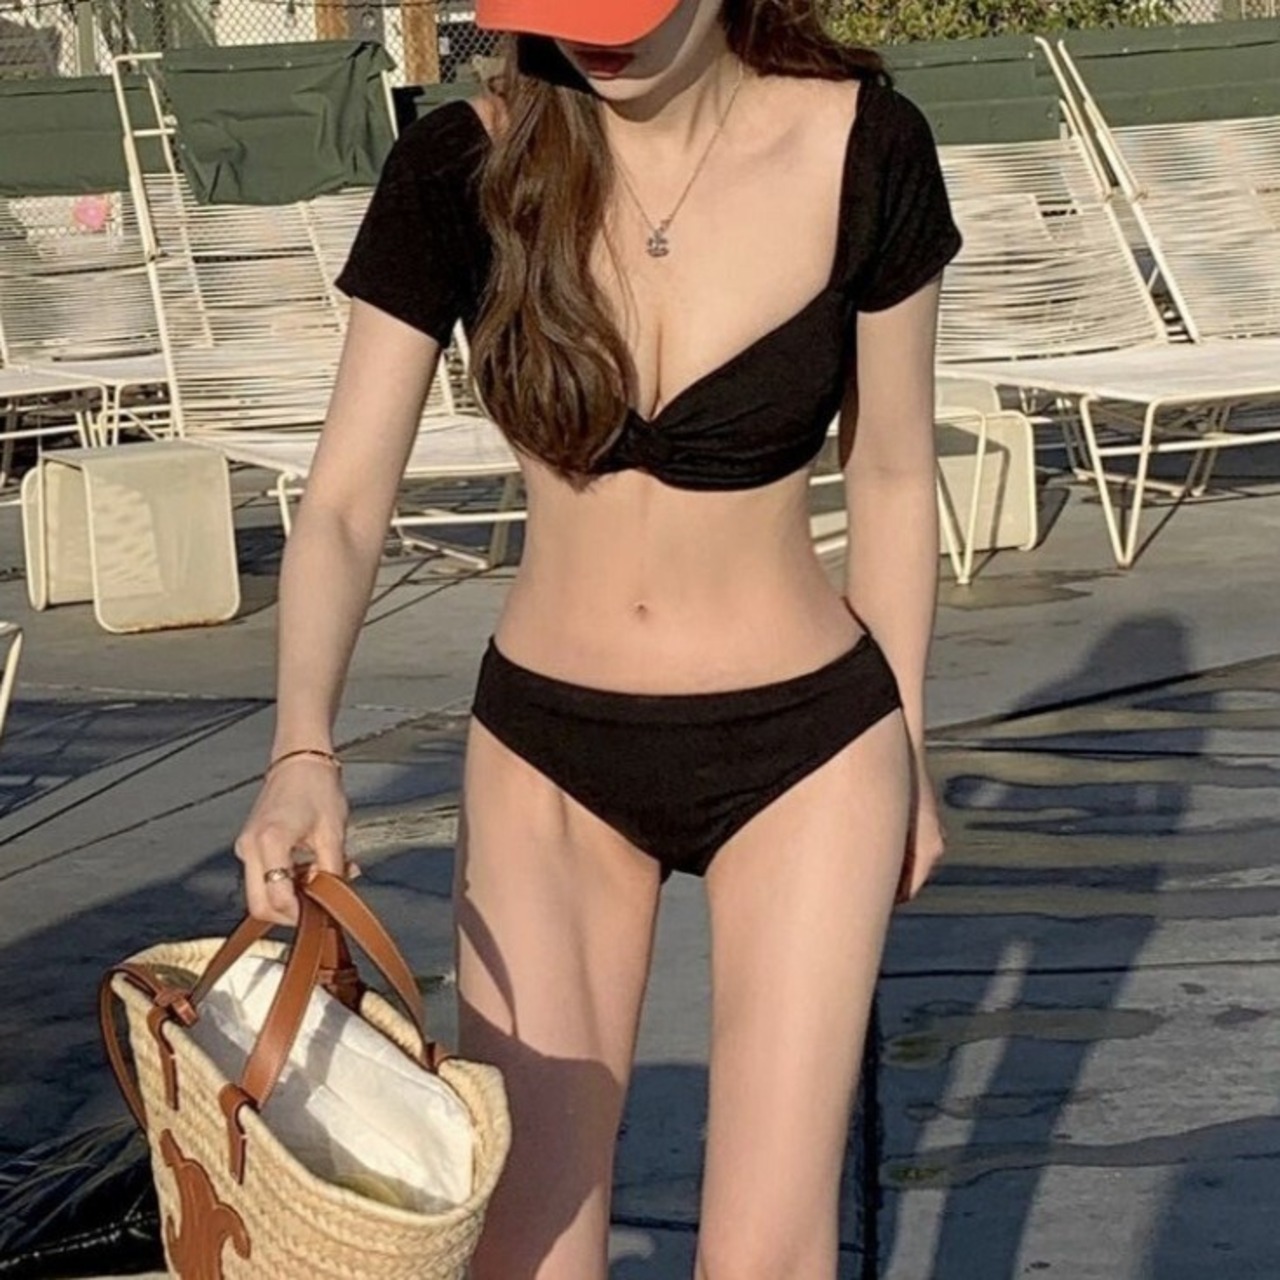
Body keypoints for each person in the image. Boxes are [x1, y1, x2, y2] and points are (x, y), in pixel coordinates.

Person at [234, 0, 961, 1275]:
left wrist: (905, 739)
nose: (599, 37)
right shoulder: (463, 166)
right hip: (549, 756)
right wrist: (303, 744)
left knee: (767, 1250)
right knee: (526, 1241)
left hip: (808, 751)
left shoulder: (866, 145)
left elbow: (893, 472)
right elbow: (344, 501)